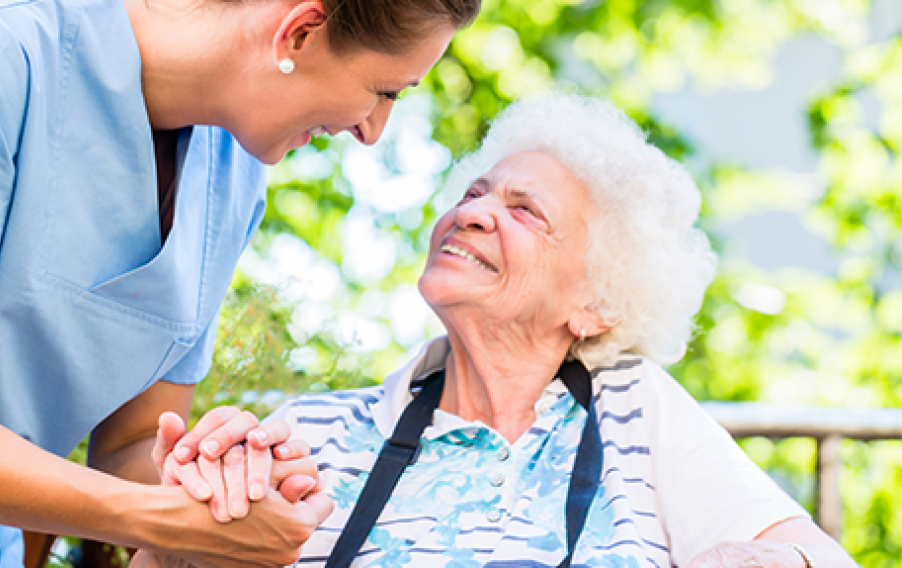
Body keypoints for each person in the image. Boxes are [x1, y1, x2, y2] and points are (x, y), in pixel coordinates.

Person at [0, 0, 481, 564]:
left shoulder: (231, 172)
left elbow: (125, 444)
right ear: (299, 30)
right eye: (385, 90)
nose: (374, 129)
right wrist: (148, 518)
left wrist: (218, 484)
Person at [150, 91, 858, 567]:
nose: (474, 213)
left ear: (595, 304)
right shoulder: (309, 433)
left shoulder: (634, 412)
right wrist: (186, 527)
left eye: (527, 212)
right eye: (473, 193)